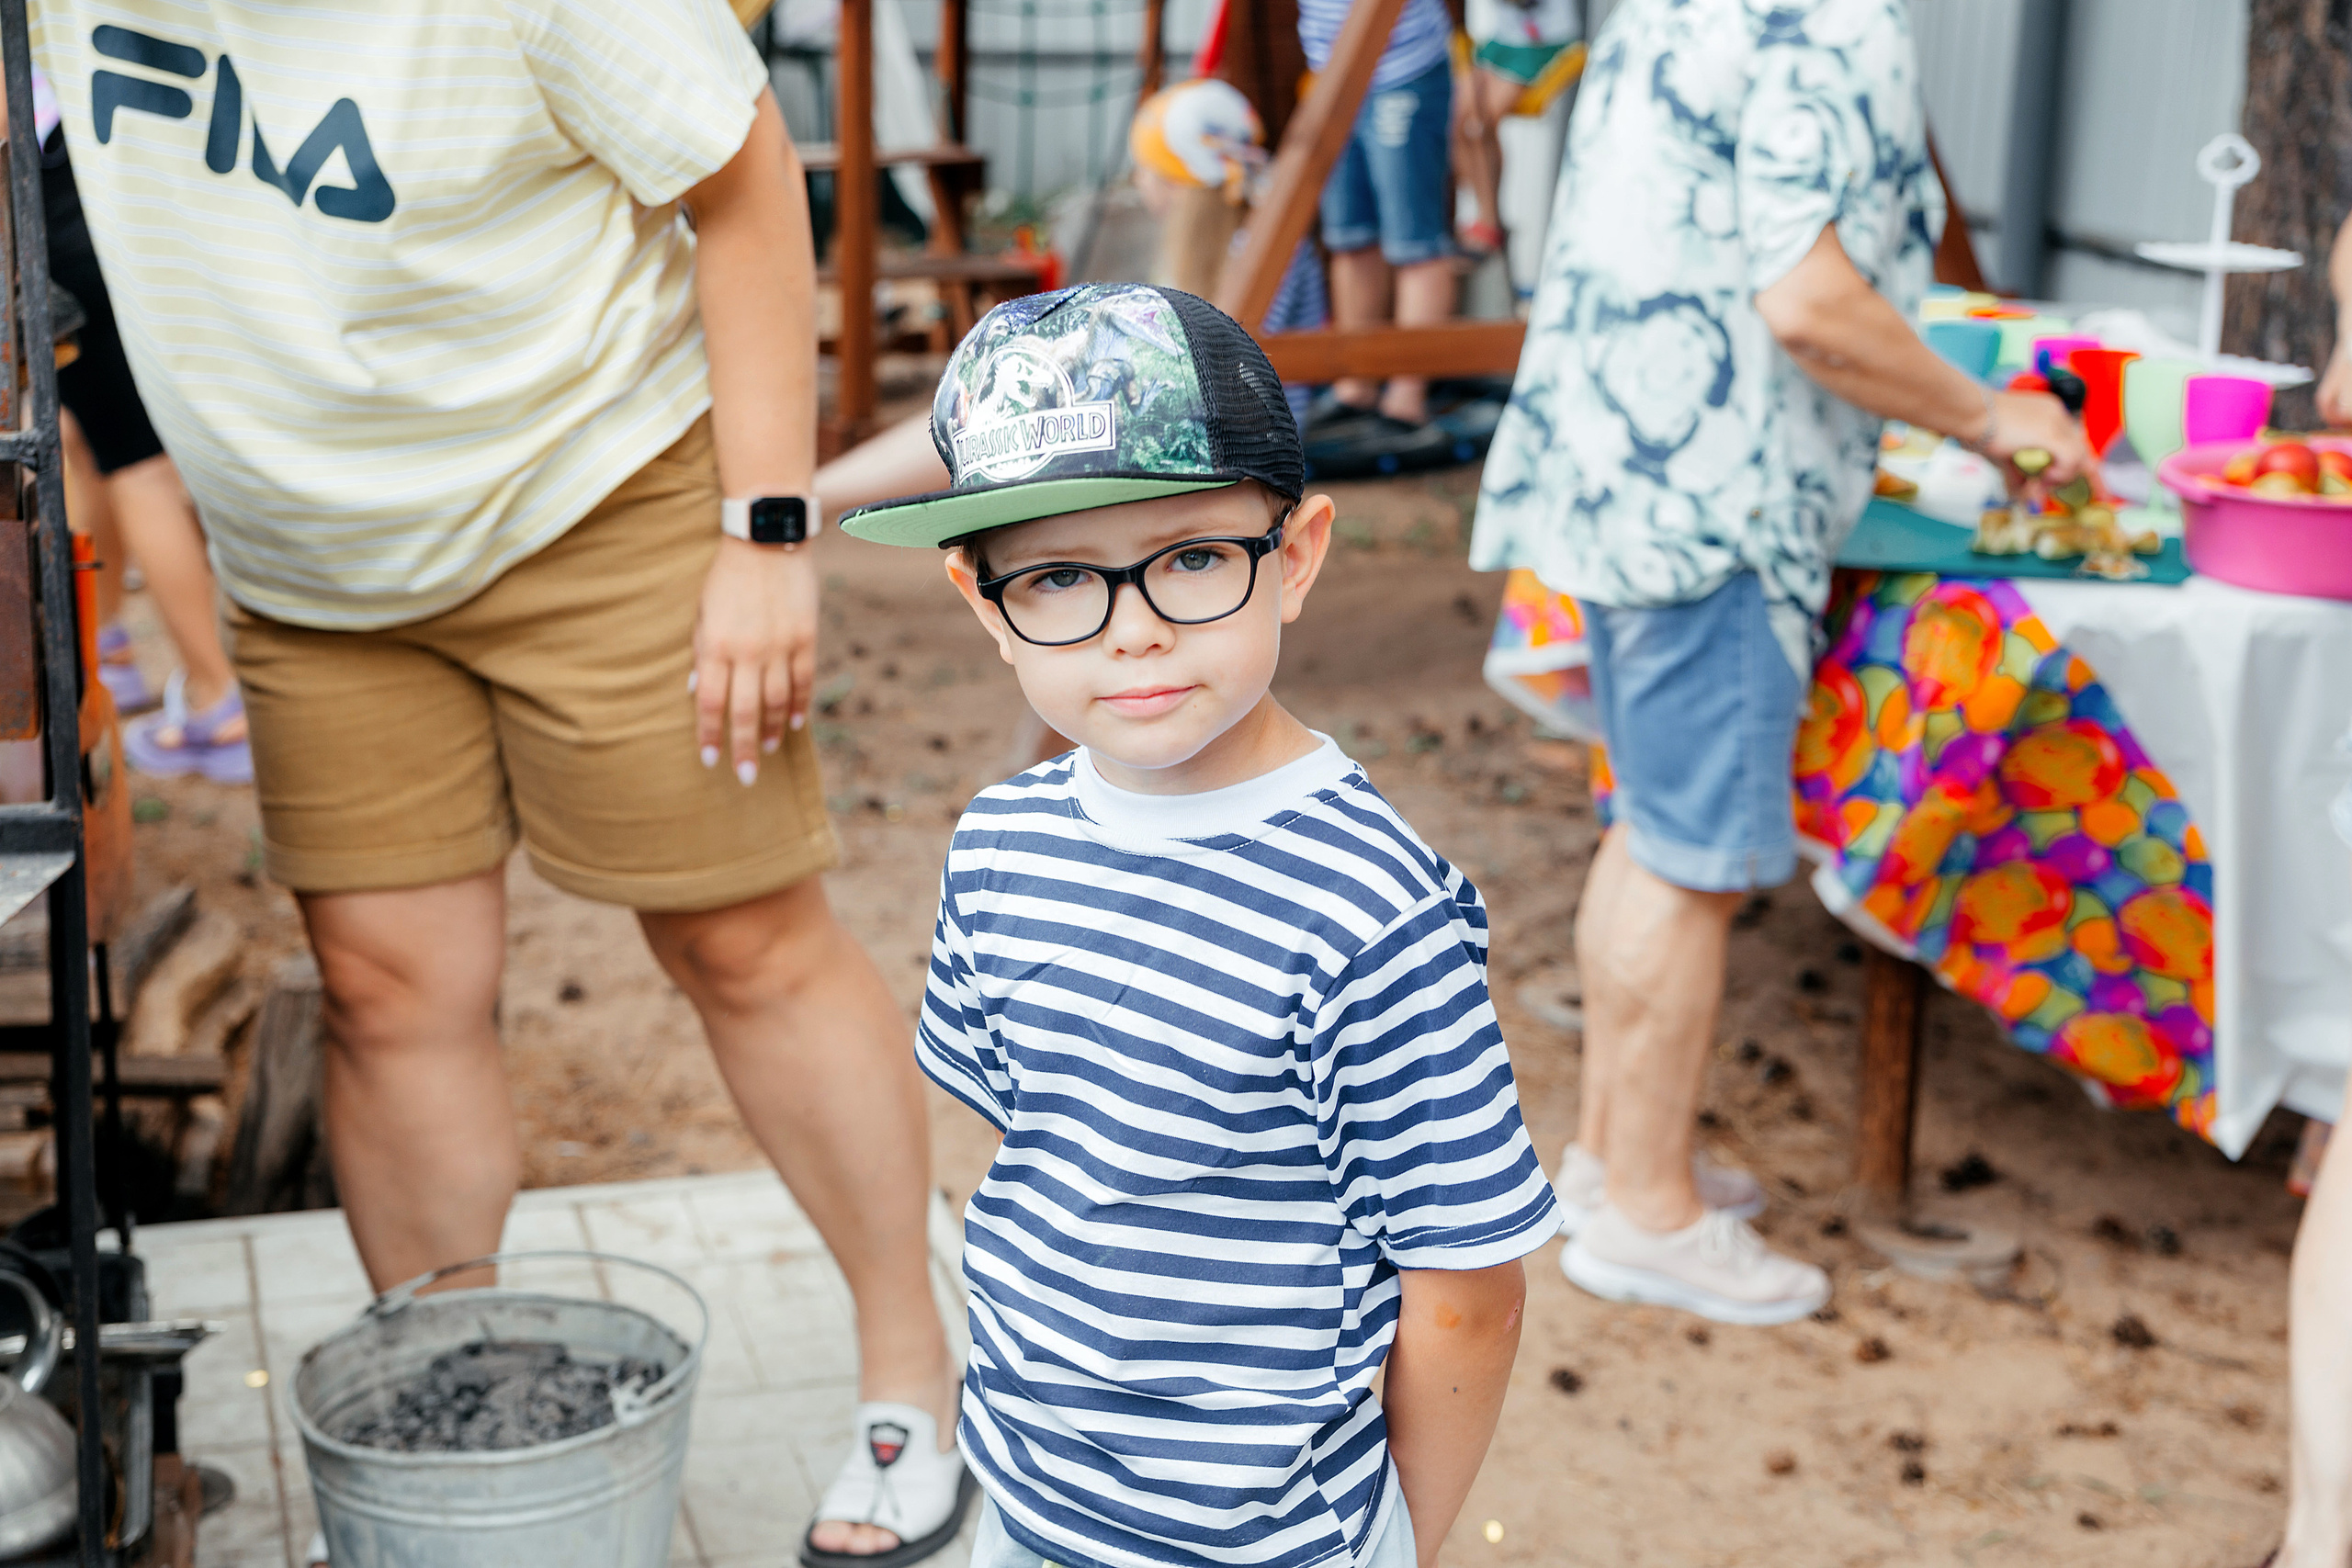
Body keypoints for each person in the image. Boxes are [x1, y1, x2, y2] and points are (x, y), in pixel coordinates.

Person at [28, 6, 965, 1560]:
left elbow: (740, 175)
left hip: (600, 487)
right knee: (392, 989)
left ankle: (910, 1370)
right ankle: (445, 1398)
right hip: (307, 558)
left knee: (738, 938)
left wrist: (766, 530)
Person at [841, 282, 1560, 1568]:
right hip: (1027, 1493)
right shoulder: (997, 845)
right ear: (981, 599)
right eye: (1061, 575)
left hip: (1268, 1539)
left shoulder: (1371, 909)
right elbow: (1050, 1151)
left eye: (1188, 558)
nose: (1135, 629)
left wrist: (1398, 1539)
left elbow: (1465, 1289)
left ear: (1294, 556)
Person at [1471, 0, 2089, 1325]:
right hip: (1723, 497)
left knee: (1649, 828)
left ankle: (1607, 1165)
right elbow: (1810, 299)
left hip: (1628, 461)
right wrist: (1993, 417)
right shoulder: (1834, 23)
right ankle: (1646, 1211)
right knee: (1692, 864)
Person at [23, 64, 250, 779]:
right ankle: (112, 646)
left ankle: (219, 696)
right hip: (74, 176)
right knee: (87, 440)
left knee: (136, 463)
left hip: (54, 192)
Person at [1301, 0, 1459, 437]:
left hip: (1402, 68)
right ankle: (1358, 382)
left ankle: (1407, 396)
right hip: (1331, 73)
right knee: (1350, 238)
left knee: (1416, 243)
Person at [1452, 0, 1583, 258]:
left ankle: (1489, 221)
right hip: (1503, 39)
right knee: (1456, 119)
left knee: (1480, 124)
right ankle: (1483, 211)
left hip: (1543, 41)